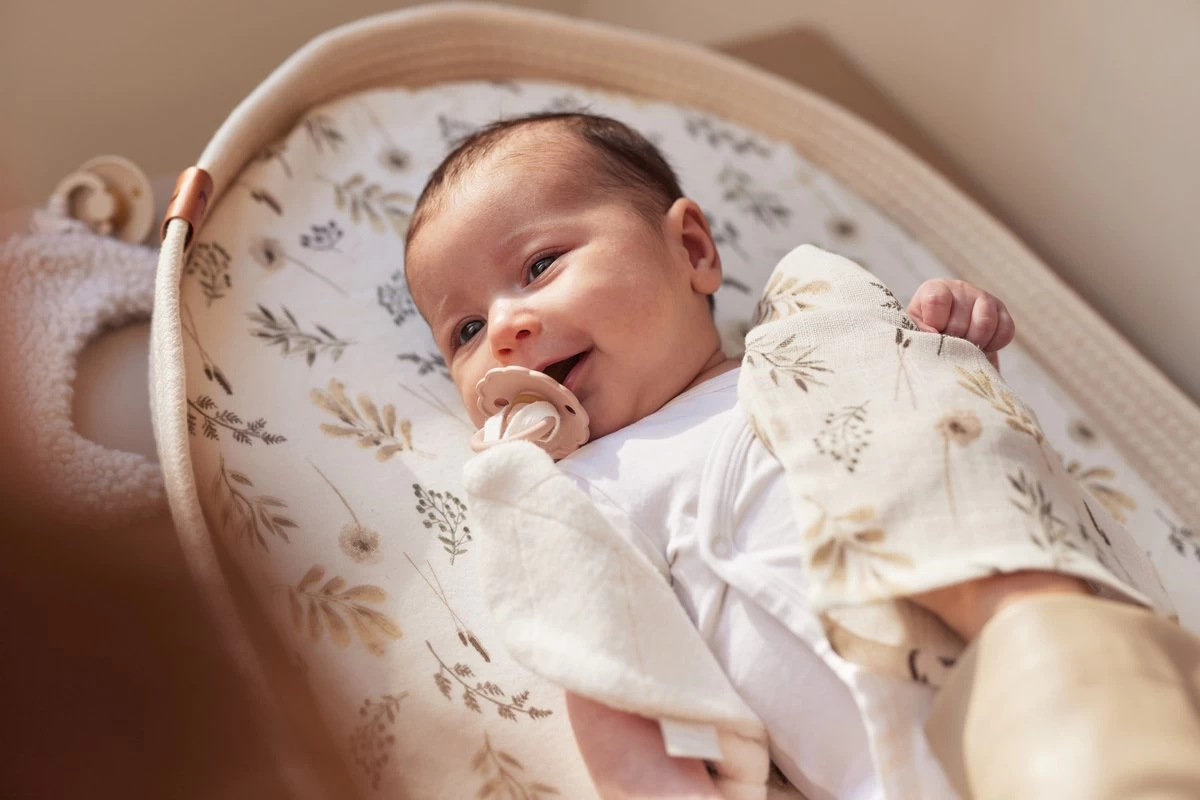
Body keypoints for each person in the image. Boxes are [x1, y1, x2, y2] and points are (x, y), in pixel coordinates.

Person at [402, 112, 1132, 798]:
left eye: (539, 266)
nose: (505, 328)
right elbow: (609, 676)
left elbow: (958, 455)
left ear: (692, 251)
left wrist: (950, 350)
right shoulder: (578, 493)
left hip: (1076, 660)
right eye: (465, 331)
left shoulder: (824, 335)